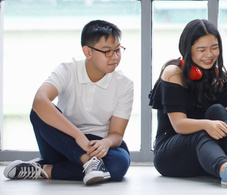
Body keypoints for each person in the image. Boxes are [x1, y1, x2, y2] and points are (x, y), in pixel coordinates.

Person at [2, 20, 132, 185]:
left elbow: (116, 134)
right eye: (107, 51)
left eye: (118, 50)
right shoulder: (67, 70)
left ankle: (44, 170)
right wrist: (78, 136)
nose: (114, 57)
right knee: (38, 112)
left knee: (119, 164)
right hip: (63, 140)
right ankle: (88, 162)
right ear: (88, 52)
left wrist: (105, 143)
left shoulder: (124, 84)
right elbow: (40, 100)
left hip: (98, 144)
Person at [148, 19, 227, 189]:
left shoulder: (220, 77)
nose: (210, 54)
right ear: (187, 49)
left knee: (218, 110)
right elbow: (178, 124)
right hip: (171, 155)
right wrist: (207, 125)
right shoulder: (174, 73)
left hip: (206, 154)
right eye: (201, 49)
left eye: (214, 47)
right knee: (201, 133)